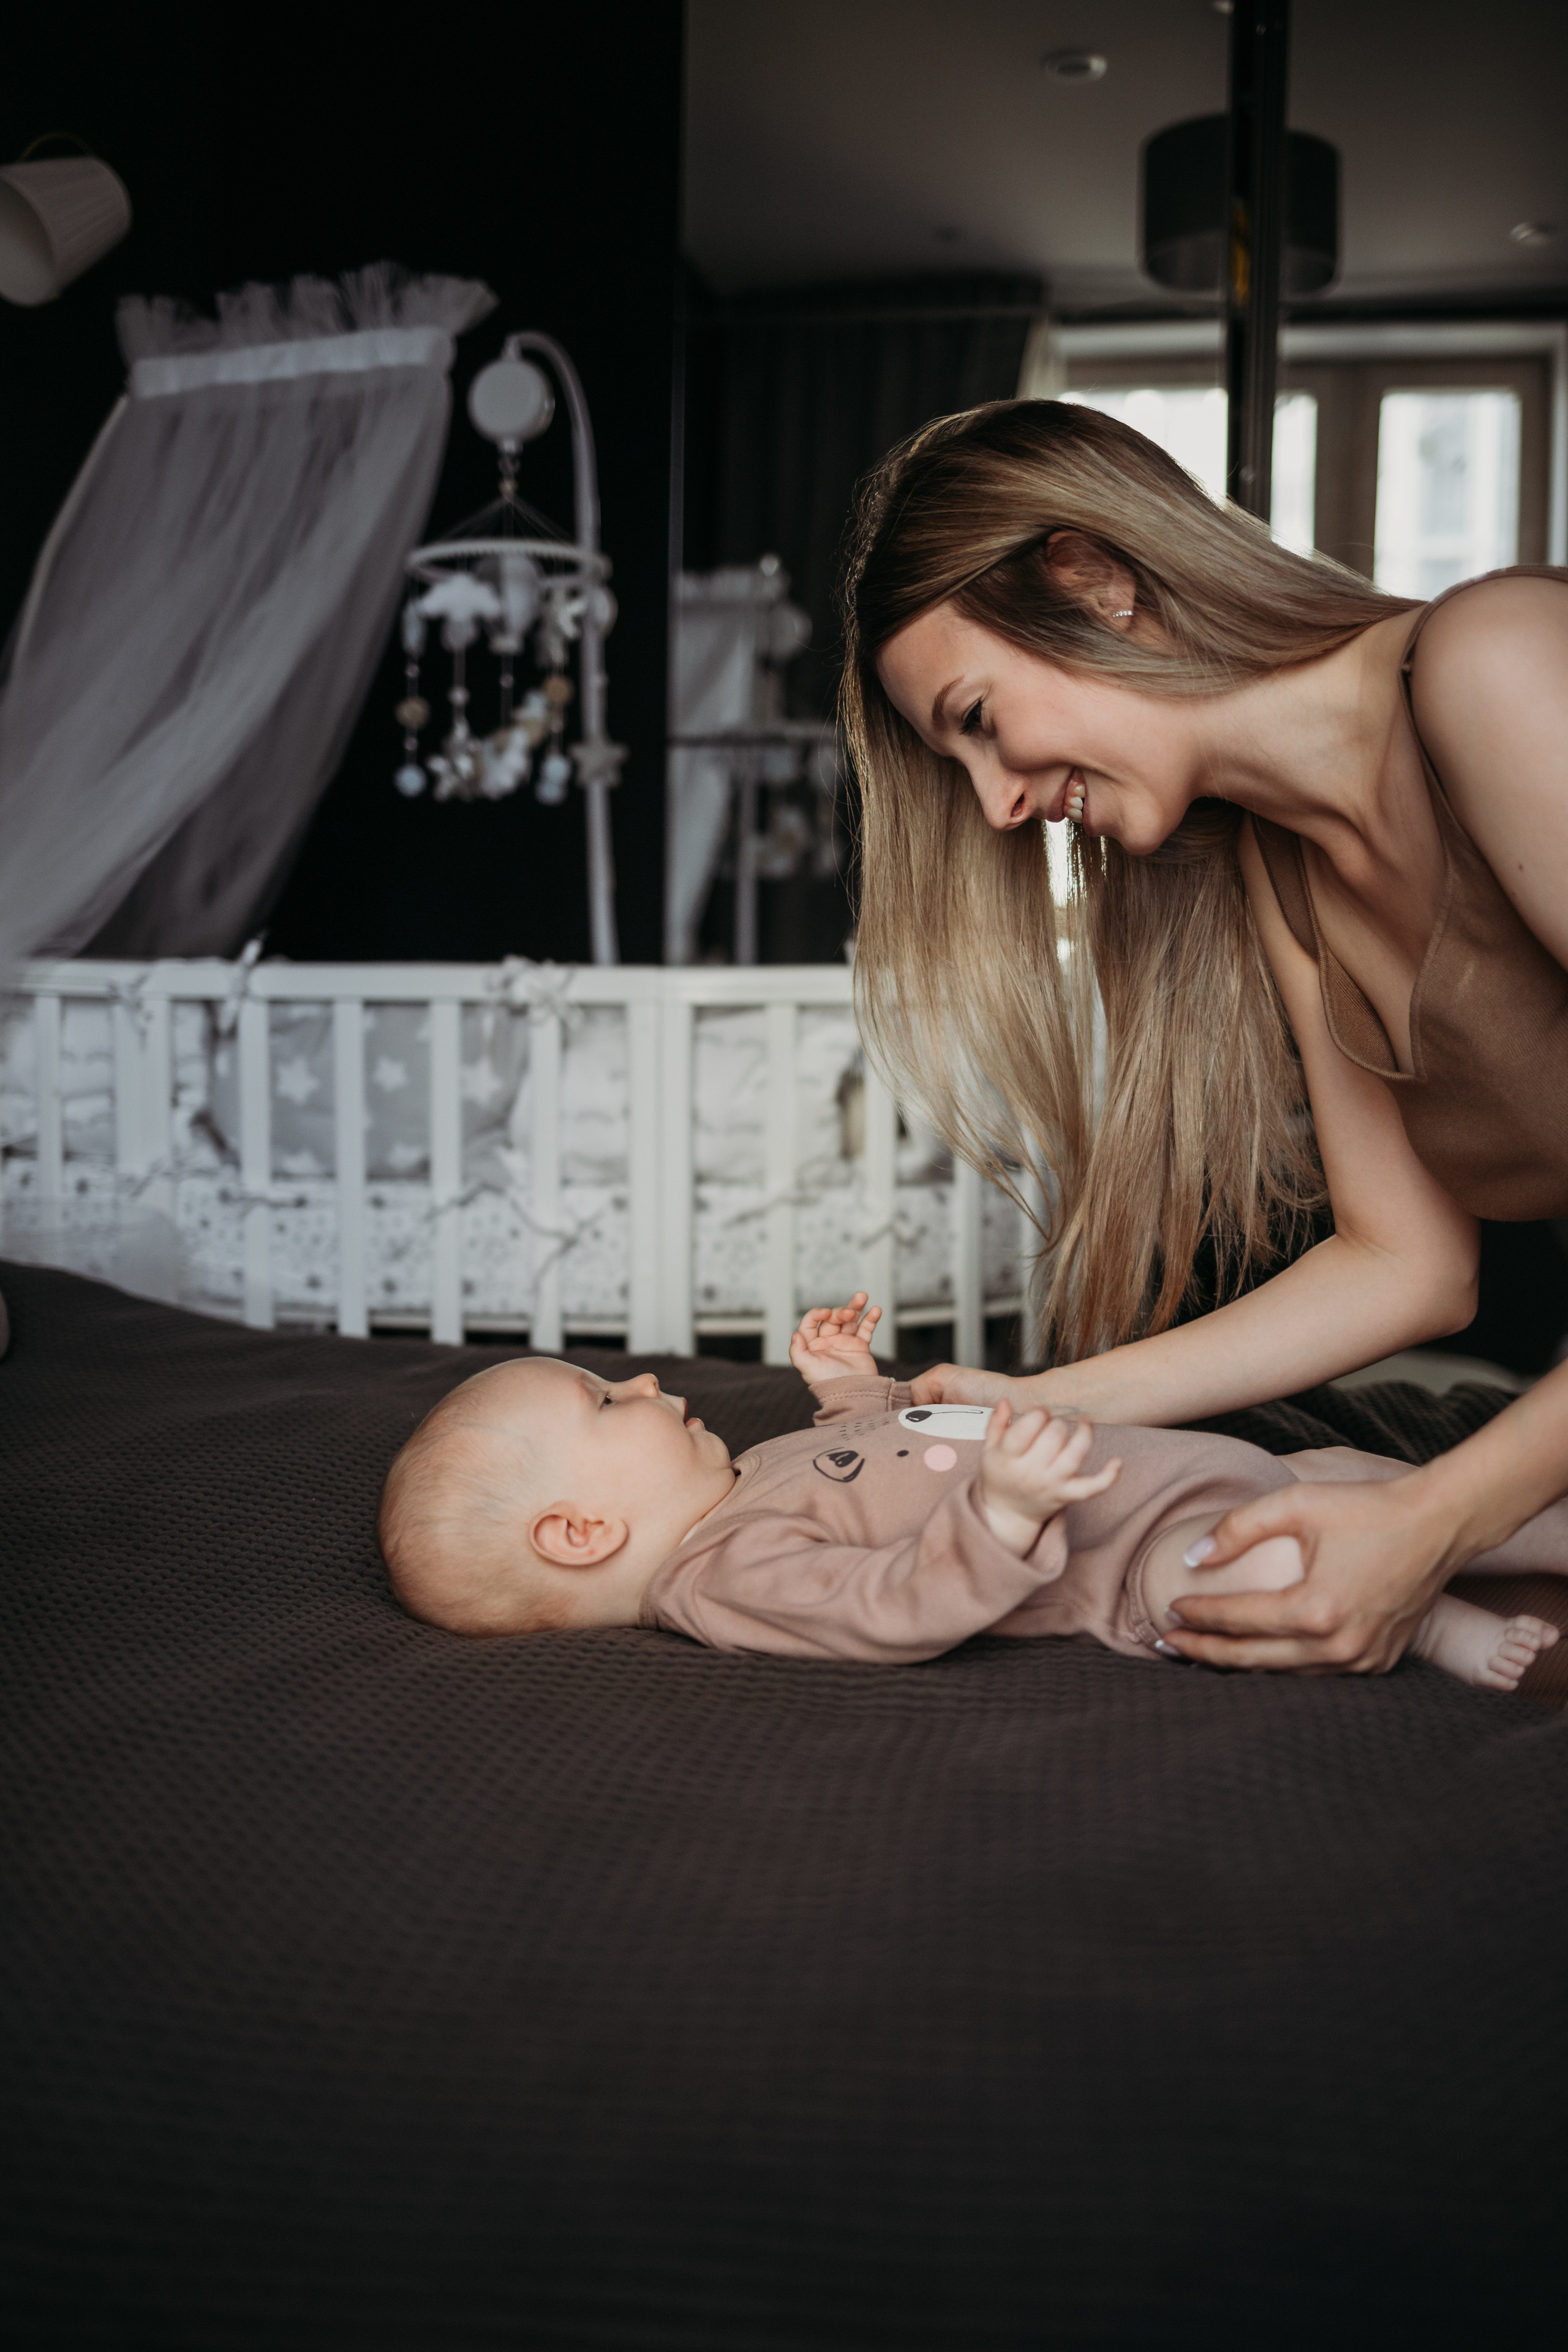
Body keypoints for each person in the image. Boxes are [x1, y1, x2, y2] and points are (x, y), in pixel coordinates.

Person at [839, 396, 1568, 1678]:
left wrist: (1434, 1517)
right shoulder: (1285, 875)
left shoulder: (1494, 661)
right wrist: (1041, 1401)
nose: (999, 806)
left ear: (1092, 580)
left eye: (975, 721)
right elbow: (1403, 1266)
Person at [378, 1294, 1559, 1691]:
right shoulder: (720, 1576)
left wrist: (854, 1390)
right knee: (1261, 1567)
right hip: (1138, 1561)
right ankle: (1445, 1626)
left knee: (1378, 1480)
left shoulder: (747, 1479)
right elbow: (887, 1605)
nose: (640, 1379)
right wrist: (1001, 1513)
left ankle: (1532, 1525)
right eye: (603, 1401)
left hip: (1195, 1468)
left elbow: (871, 1463)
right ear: (583, 1533)